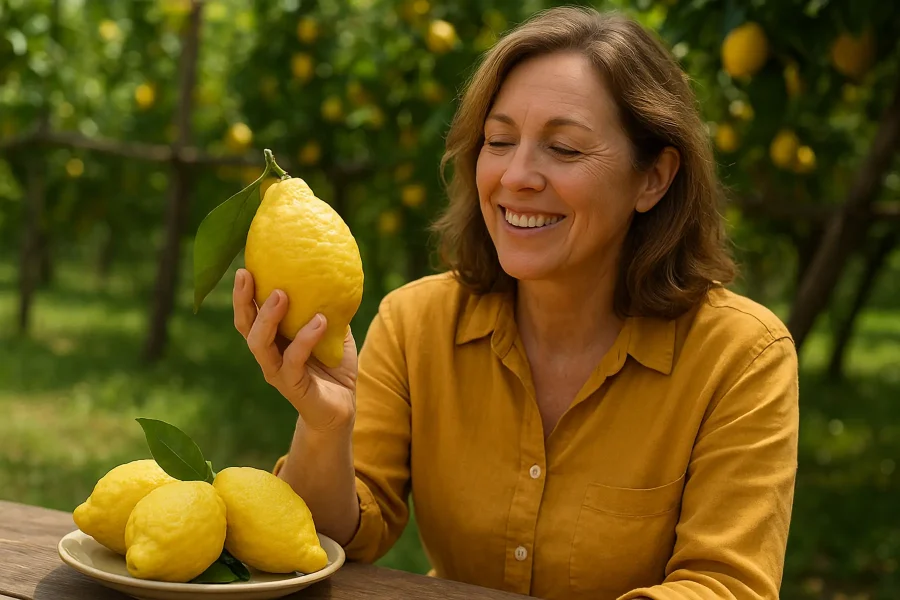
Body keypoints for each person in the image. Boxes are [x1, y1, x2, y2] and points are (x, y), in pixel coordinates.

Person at [232, 6, 799, 600]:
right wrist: (325, 426)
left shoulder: (740, 356)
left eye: (565, 148)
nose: (516, 175)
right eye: (499, 141)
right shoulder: (415, 323)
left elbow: (724, 585)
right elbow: (327, 542)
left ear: (653, 177)